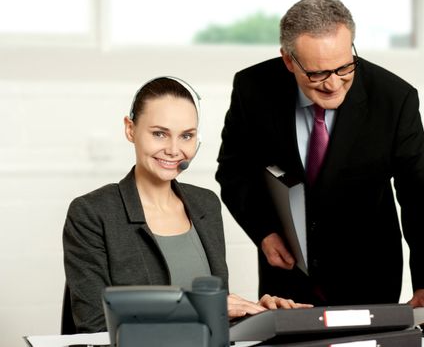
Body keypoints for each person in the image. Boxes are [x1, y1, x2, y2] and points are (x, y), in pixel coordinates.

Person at [216, 0, 424, 308]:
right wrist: (264, 232)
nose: (334, 84)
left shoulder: (394, 99)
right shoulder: (252, 88)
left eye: (345, 67)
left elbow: (420, 195)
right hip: (286, 282)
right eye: (317, 74)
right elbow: (234, 170)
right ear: (289, 60)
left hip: (369, 279)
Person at [63, 76, 311, 333]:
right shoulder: (92, 213)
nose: (173, 149)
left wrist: (258, 313)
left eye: (186, 136)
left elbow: (214, 319)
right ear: (130, 129)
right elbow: (95, 325)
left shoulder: (205, 204)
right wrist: (204, 309)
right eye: (159, 134)